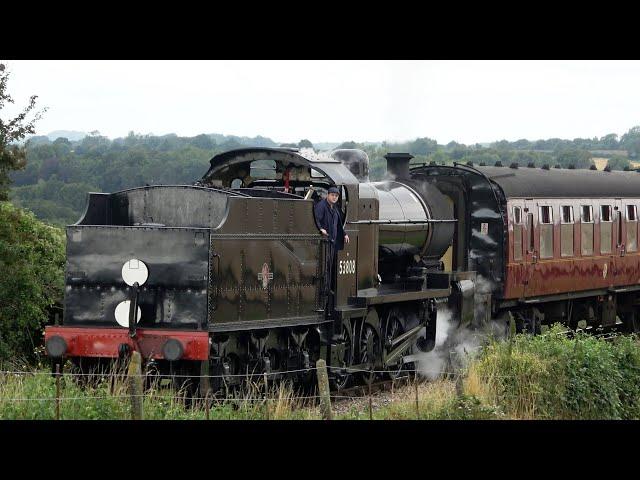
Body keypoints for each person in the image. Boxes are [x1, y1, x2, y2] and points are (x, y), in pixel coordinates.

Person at [314, 186, 350, 310]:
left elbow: (339, 224)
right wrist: (320, 228)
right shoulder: (321, 206)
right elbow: (316, 219)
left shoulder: (334, 209)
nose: (334, 197)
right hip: (324, 243)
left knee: (329, 270)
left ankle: (328, 297)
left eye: (336, 196)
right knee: (324, 270)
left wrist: (344, 234)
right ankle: (323, 298)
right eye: (332, 195)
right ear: (328, 195)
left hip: (332, 244)